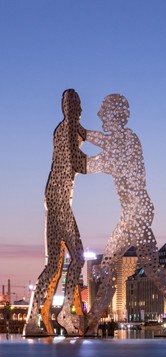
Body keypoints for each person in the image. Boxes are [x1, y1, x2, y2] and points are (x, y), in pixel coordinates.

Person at [85, 94, 166, 335]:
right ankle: (91, 320)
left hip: (137, 212)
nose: (101, 115)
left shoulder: (125, 140)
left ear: (114, 114)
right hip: (132, 213)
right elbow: (103, 140)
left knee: (143, 265)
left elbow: (92, 164)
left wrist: (77, 144)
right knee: (111, 265)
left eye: (104, 111)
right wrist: (82, 133)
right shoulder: (122, 139)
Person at [24, 89, 87, 336]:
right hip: (58, 200)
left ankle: (46, 317)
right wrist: (107, 163)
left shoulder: (70, 129)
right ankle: (54, 315)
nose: (78, 110)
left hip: (58, 200)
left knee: (61, 264)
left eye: (78, 105)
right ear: (66, 109)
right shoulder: (66, 130)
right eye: (73, 106)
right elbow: (79, 163)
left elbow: (85, 137)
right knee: (63, 263)